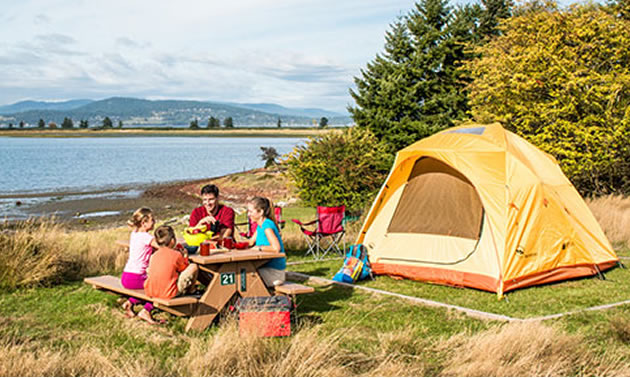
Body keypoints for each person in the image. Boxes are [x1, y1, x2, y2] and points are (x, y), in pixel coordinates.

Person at [120, 207, 160, 324]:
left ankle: (130, 302)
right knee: (159, 287)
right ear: (144, 223)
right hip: (136, 277)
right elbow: (163, 247)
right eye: (152, 220)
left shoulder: (134, 234)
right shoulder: (147, 237)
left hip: (126, 276)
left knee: (145, 288)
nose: (154, 222)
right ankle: (146, 310)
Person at [145, 225, 199, 301]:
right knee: (193, 267)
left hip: (151, 292)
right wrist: (185, 256)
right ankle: (191, 290)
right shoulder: (176, 255)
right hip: (169, 293)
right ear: (172, 241)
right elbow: (184, 268)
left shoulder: (154, 255)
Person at [246, 196, 286, 287]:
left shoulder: (267, 226)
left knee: (243, 276)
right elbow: (251, 242)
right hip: (265, 268)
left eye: (251, 211)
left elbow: (276, 248)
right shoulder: (260, 226)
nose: (248, 214)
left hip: (274, 273)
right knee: (242, 273)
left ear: (260, 212)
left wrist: (259, 248)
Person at [188, 184, 235, 251]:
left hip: (224, 250)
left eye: (211, 199)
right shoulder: (196, 212)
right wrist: (200, 223)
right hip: (202, 249)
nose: (207, 203)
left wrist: (206, 240)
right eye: (205, 200)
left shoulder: (227, 211)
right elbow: (191, 234)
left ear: (217, 198)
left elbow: (225, 235)